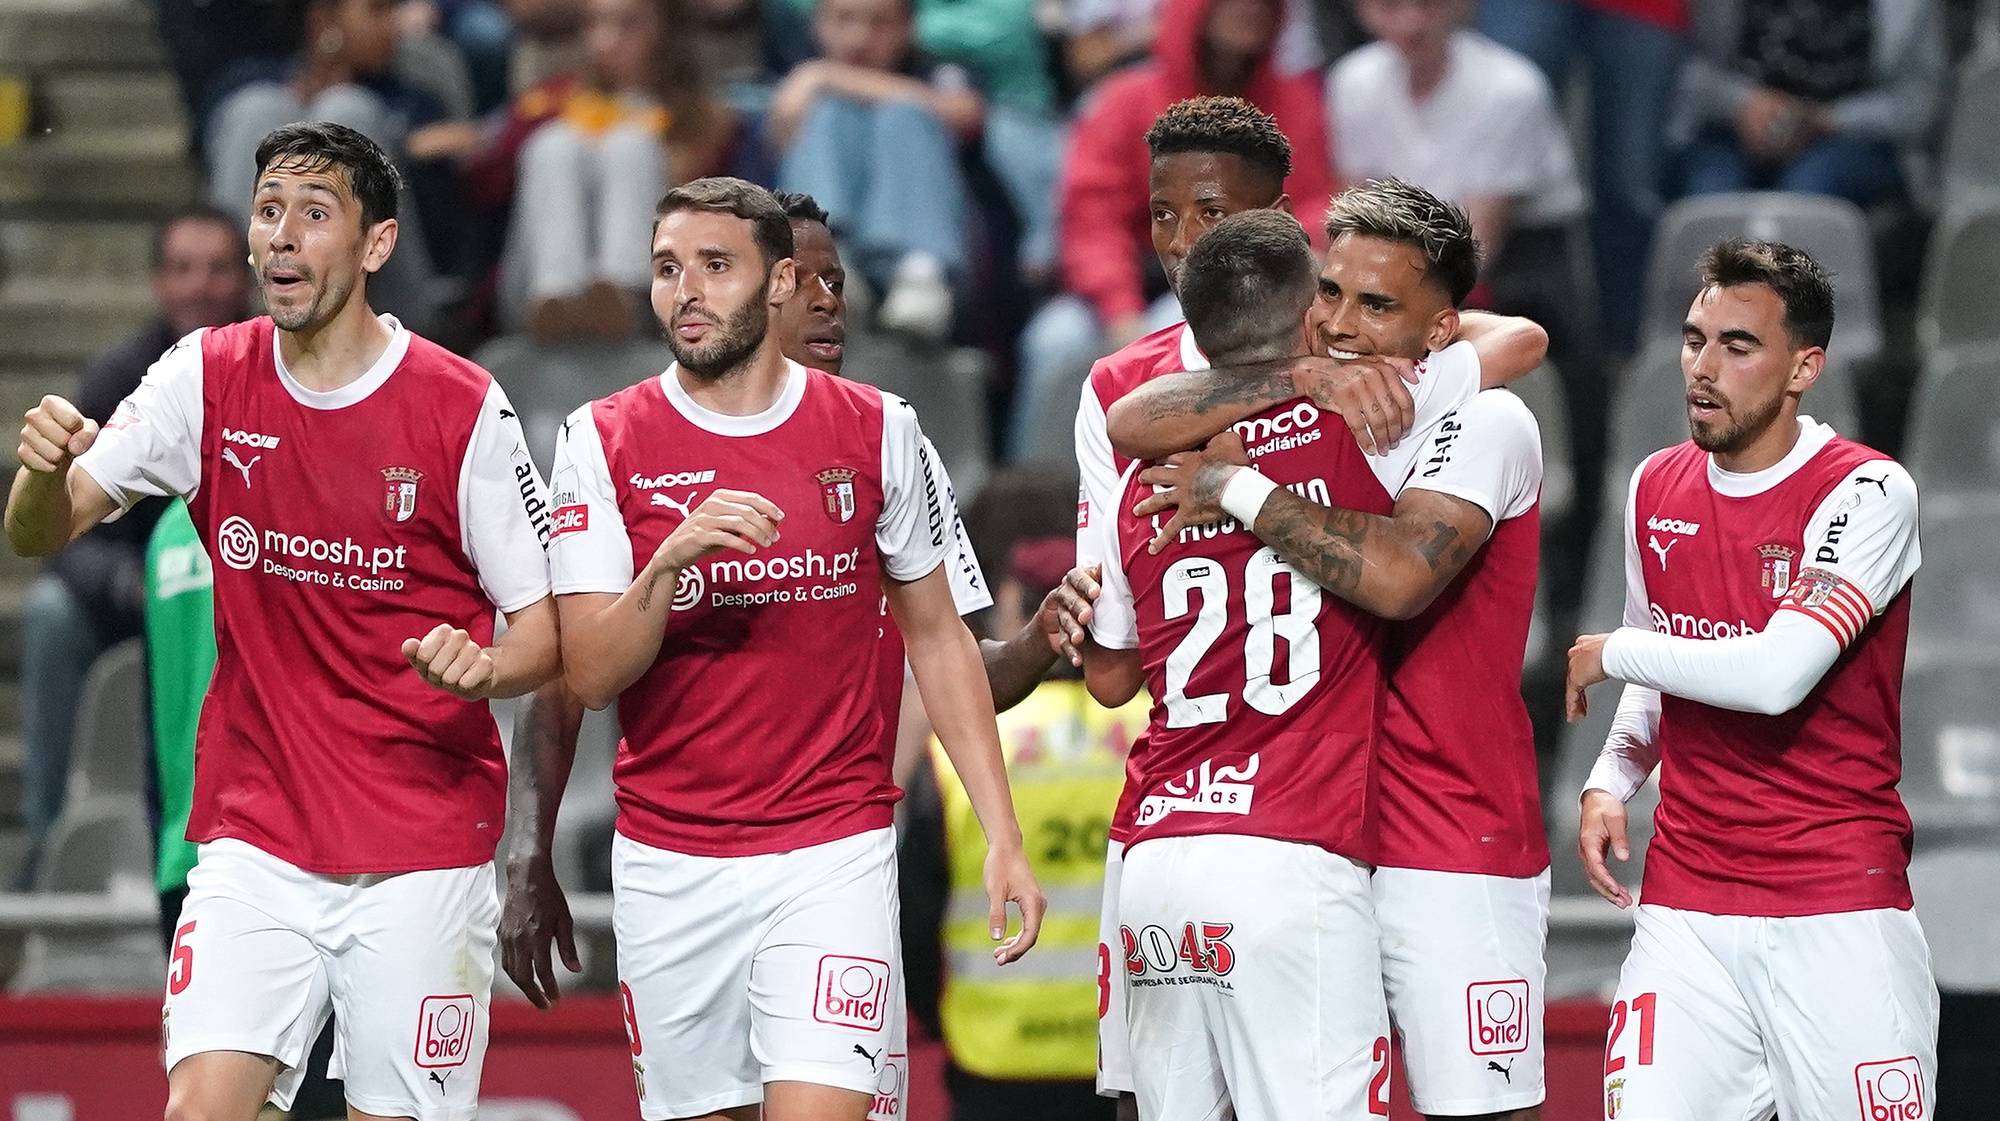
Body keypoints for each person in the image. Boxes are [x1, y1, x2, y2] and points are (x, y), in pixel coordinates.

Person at [5, 121, 561, 1121]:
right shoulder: (206, 375)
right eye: (269, 212)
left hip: (422, 844)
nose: (281, 238)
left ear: (375, 244)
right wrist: (40, 475)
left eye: (313, 214)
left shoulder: (460, 405)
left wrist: (487, 669)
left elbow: (544, 626)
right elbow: (41, 532)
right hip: (256, 837)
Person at [540, 177, 1043, 1121]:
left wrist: (1002, 831)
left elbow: (939, 641)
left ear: (779, 283)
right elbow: (593, 673)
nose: (684, 290)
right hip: (670, 862)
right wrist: (672, 559)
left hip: (832, 852)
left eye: (714, 266)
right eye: (665, 268)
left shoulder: (878, 428)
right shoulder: (599, 438)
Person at [1101, 179, 1552, 1120]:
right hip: (1305, 826)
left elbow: (1395, 578)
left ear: (1440, 332)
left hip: (1445, 834)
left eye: (1377, 303)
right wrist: (1294, 384)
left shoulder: (1473, 416)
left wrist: (1230, 484)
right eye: (1331, 292)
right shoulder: (1292, 412)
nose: (1341, 324)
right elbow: (1129, 415)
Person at [1566, 238, 1937, 1119]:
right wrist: (1609, 775)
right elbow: (1668, 662)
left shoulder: (1869, 493)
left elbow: (1777, 673)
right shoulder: (1656, 485)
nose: (1703, 367)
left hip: (1838, 908)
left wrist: (1612, 649)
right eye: (1696, 340)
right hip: (1688, 905)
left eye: (1738, 346)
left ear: (1805, 365)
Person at [14, 206, 249, 889]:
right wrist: (135, 583)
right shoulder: (122, 373)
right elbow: (63, 535)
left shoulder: (274, 366)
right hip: (153, 589)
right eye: (181, 269)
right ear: (155, 282)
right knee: (55, 613)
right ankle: (47, 852)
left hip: (255, 583)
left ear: (248, 278)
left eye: (216, 268)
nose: (198, 286)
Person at [1329, 0, 1607, 565]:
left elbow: (1479, 241)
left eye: (1424, 6)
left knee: (1563, 383)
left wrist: (1395, 335)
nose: (1410, 22)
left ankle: (1564, 564)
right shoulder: (1351, 82)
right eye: (1389, 6)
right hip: (1397, 270)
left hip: (1514, 269)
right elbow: (1356, 225)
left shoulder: (1511, 88)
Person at [1012, 0, 1339, 459]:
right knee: (1054, 341)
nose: (1250, 10)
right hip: (1126, 285)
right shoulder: (1124, 98)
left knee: (1177, 326)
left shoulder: (1297, 101)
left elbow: (1312, 204)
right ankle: (1038, 510)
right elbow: (1092, 220)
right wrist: (1120, 310)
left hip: (1242, 286)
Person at [901, 530, 1142, 1121]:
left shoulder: (963, 747)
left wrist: (940, 1017)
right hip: (1127, 1047)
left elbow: (914, 905)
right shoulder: (1155, 728)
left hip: (996, 1052)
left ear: (1018, 604)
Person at [204, 0, 450, 330]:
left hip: (382, 297)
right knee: (258, 107)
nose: (394, 26)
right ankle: (256, 314)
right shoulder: (253, 79)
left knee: (348, 111)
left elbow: (440, 213)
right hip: (259, 285)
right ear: (325, 18)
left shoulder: (412, 98)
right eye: (378, 11)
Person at [507, 0, 739, 339]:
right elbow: (484, 184)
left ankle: (622, 294)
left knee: (629, 146)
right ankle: (556, 294)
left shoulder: (703, 118)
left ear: (666, 32)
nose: (605, 41)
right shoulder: (554, 99)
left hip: (670, 291)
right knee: (555, 145)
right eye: (595, 24)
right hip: (534, 286)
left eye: (627, 25)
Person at [1476, 0, 1686, 355]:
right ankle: (1488, 342)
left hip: (1645, 8)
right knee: (1493, 143)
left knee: (1630, 192)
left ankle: (1627, 363)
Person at [768, 0, 986, 340]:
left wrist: (825, 75)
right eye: (844, 19)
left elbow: (964, 114)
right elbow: (778, 130)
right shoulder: (786, 59)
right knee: (827, 113)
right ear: (817, 23)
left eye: (879, 23)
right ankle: (824, 265)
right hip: (842, 256)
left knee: (905, 115)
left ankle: (920, 272)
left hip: (927, 269)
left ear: (907, 28)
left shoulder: (933, 68)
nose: (859, 37)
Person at [1669, 0, 1946, 208]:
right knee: (1711, 202)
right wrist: (1743, 104)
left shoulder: (1905, 8)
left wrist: (1826, 119)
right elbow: (1680, 70)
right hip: (1729, 130)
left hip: (1854, 139)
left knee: (1807, 198)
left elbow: (1919, 105)